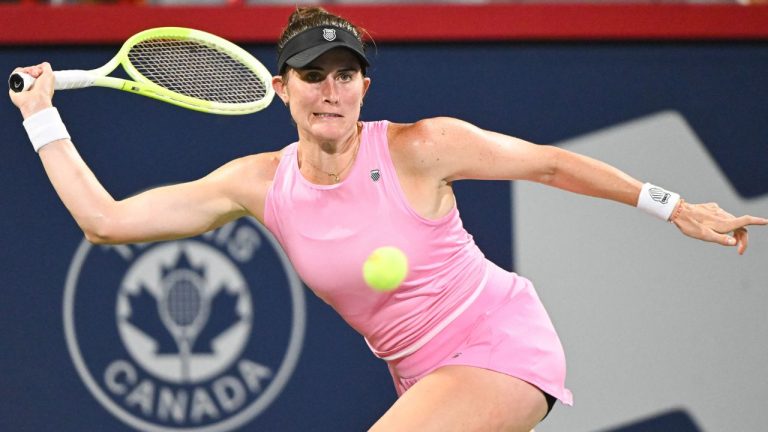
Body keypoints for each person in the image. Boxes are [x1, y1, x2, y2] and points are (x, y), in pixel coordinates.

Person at [10, 7, 767, 432]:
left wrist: (672, 208)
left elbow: (546, 163)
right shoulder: (258, 182)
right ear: (283, 88)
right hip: (418, 377)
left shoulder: (422, 146)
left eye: (346, 75)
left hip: (499, 343)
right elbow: (104, 221)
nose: (331, 91)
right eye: (314, 77)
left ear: (364, 86)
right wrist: (42, 119)